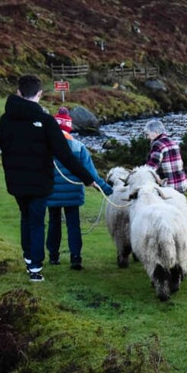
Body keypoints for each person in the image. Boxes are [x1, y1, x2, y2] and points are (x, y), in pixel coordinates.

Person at [0, 74, 96, 283]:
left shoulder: (6, 119)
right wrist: (88, 179)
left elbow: (4, 146)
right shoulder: (45, 121)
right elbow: (64, 154)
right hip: (39, 181)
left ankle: (29, 258)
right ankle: (35, 267)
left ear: (19, 92)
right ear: (40, 94)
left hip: (16, 180)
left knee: (26, 217)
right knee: (36, 221)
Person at [46, 108, 113, 270]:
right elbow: (91, 174)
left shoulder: (46, 146)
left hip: (51, 193)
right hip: (73, 194)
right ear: (69, 127)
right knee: (73, 225)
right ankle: (76, 258)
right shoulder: (78, 147)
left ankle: (53, 256)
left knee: (54, 223)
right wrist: (108, 190)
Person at [144, 119, 187, 192]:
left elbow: (150, 169)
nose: (147, 137)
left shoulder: (158, 145)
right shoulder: (173, 142)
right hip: (182, 184)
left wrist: (136, 173)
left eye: (147, 134)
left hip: (169, 187)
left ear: (155, 133)